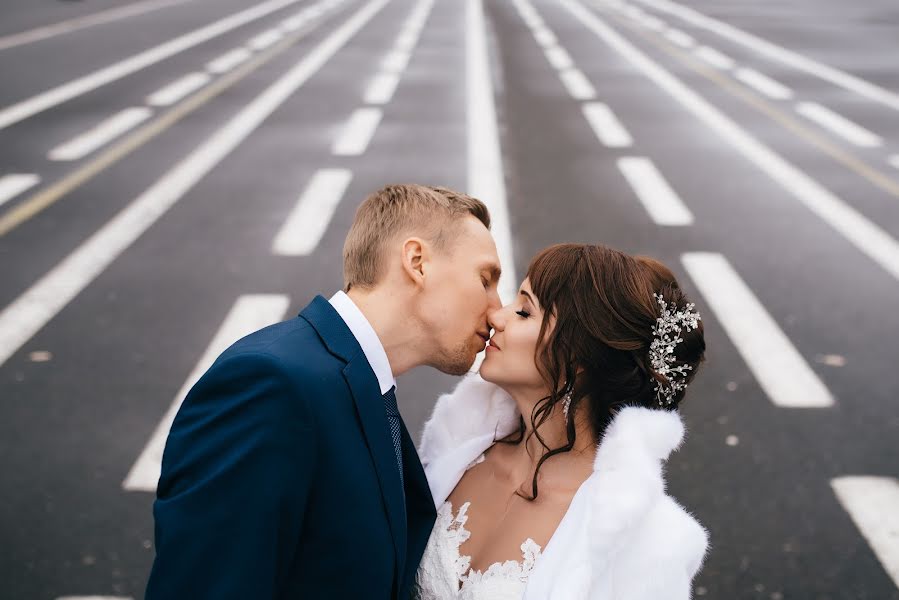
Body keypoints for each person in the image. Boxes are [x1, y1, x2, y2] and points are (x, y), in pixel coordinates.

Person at [145, 184, 503, 599]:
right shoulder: (270, 384)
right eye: (485, 279)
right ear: (417, 262)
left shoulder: (357, 384)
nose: (497, 309)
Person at [414, 243, 709, 599]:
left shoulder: (644, 544)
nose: (497, 317)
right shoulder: (454, 450)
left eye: (524, 311)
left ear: (578, 357)